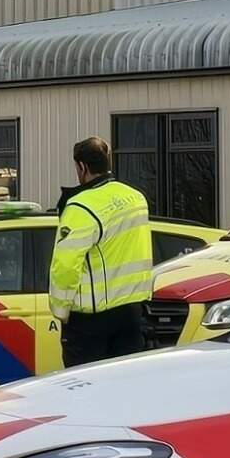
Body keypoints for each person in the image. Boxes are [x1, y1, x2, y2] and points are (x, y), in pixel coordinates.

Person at [50, 135, 164, 368]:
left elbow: (65, 264)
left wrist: (61, 309)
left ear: (81, 167)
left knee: (85, 387)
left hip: (91, 320)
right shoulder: (136, 198)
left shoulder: (81, 206)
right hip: (132, 313)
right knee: (124, 385)